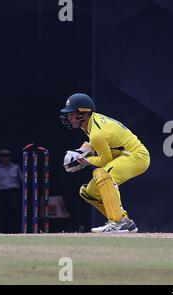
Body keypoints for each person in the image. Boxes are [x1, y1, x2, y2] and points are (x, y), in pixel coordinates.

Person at [60, 93, 150, 233]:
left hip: (136, 156)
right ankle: (123, 221)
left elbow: (105, 160)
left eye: (71, 114)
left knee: (102, 174)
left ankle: (118, 221)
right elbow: (95, 144)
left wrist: (83, 160)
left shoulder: (97, 133)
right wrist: (80, 151)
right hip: (122, 155)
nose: (69, 118)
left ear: (83, 113)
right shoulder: (91, 123)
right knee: (89, 192)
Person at [0, 149, 23, 233]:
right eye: (3, 156)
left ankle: (16, 231)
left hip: (13, 192)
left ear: (10, 157)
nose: (5, 158)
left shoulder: (16, 167)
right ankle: (1, 231)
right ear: (0, 157)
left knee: (15, 212)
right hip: (2, 193)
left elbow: (22, 179)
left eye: (7, 156)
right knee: (2, 213)